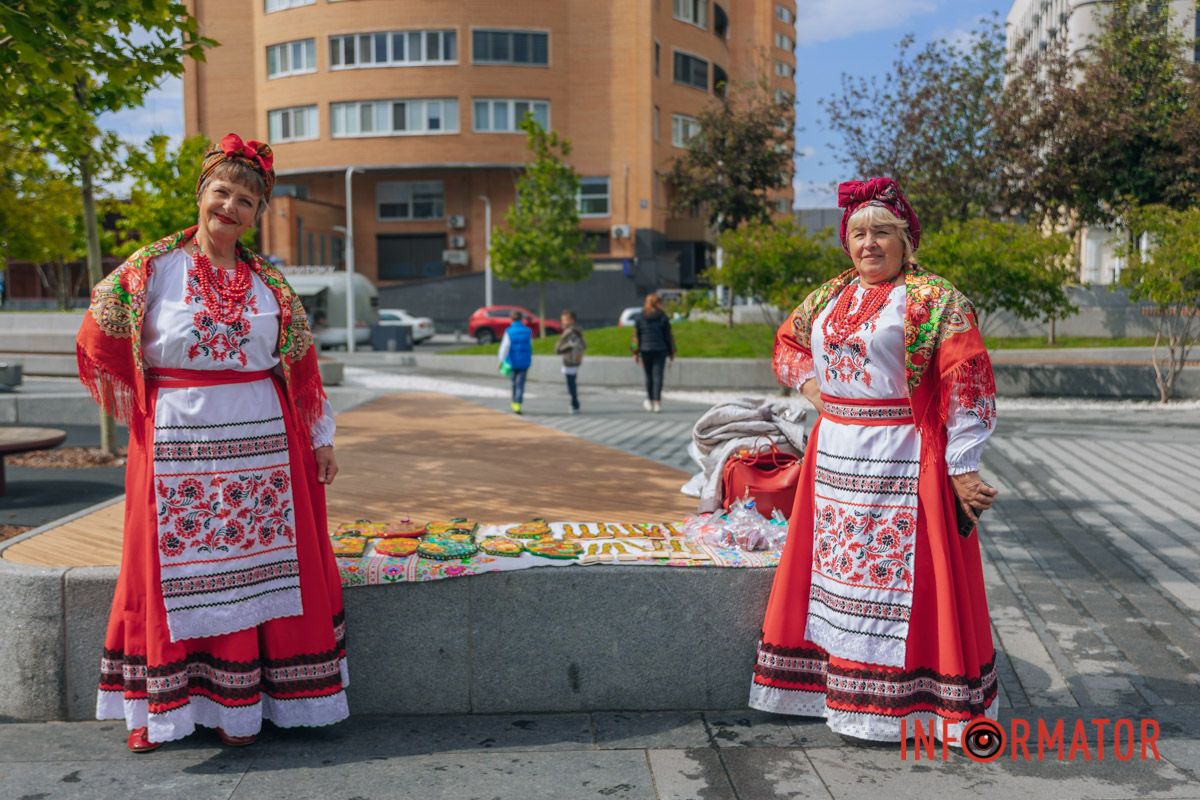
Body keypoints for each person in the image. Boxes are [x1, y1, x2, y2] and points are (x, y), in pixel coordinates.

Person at [76, 133, 348, 752]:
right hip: (176, 438)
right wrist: (136, 396)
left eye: (246, 201)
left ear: (259, 214)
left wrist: (320, 439)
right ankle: (158, 709)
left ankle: (240, 707)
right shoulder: (151, 269)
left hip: (262, 442)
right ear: (201, 194)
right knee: (169, 569)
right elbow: (99, 331)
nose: (230, 207)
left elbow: (301, 367)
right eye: (221, 192)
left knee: (254, 573)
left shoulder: (269, 283)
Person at [749, 177, 1000, 744]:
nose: (869, 244)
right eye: (858, 233)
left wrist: (963, 464)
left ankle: (910, 702)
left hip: (905, 456)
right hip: (835, 453)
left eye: (882, 232)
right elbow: (788, 343)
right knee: (835, 571)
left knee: (901, 576)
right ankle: (835, 690)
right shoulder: (827, 295)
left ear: (907, 240)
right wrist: (818, 394)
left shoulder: (935, 299)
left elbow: (967, 379)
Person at [632, 292, 675, 412]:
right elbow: (668, 336)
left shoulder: (640, 316)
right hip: (660, 349)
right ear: (658, 303)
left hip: (645, 350)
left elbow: (636, 336)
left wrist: (635, 352)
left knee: (648, 376)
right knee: (658, 376)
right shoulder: (662, 317)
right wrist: (672, 352)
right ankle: (657, 403)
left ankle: (649, 400)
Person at [497, 309, 532, 414]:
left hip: (512, 362)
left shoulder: (509, 331)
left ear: (510, 319)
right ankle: (518, 403)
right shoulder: (528, 331)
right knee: (520, 384)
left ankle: (514, 402)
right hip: (524, 362)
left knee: (513, 383)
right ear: (521, 319)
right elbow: (530, 346)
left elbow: (504, 348)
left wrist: (501, 361)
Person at [554, 309, 586, 414]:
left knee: (571, 384)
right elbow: (583, 345)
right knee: (572, 382)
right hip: (575, 360)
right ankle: (574, 402)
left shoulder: (569, 332)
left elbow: (558, 349)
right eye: (562, 320)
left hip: (569, 361)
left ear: (572, 321)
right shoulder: (577, 331)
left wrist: (568, 346)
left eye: (565, 320)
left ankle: (574, 403)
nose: (563, 322)